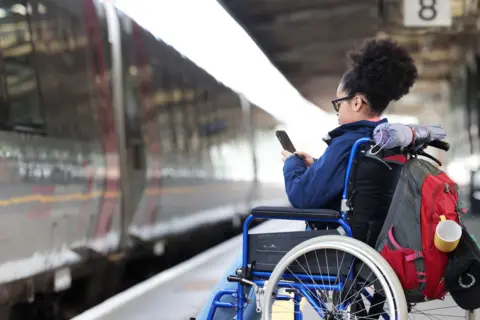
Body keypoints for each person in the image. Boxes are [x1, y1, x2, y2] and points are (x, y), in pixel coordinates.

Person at [195, 38, 418, 320]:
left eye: (339, 104)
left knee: (242, 265)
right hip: (368, 244)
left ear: (357, 102)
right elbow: (345, 181)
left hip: (337, 250)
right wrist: (315, 165)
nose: (337, 113)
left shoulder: (348, 141)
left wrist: (292, 165)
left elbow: (303, 197)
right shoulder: (378, 140)